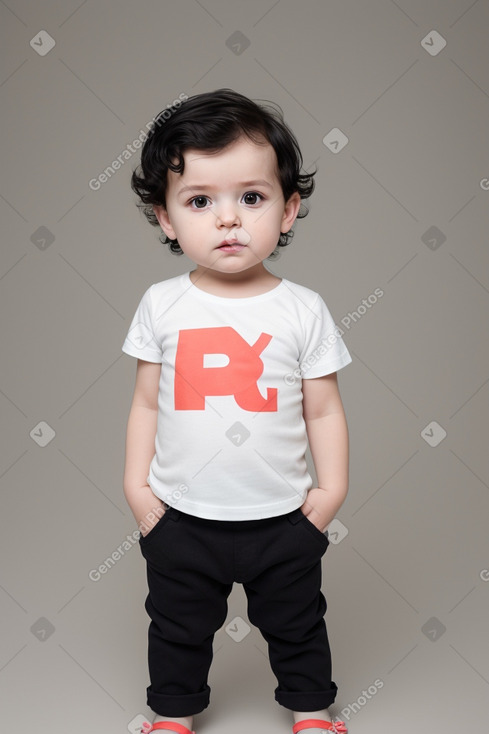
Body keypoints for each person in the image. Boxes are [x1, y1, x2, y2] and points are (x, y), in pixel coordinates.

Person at [122, 88, 351, 734]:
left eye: (251, 198)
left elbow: (324, 410)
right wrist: (136, 488)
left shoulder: (301, 309)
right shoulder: (161, 305)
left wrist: (329, 492)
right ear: (165, 218)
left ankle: (311, 710)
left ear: (288, 209)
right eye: (200, 201)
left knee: (298, 619)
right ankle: (172, 714)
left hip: (281, 517)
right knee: (175, 624)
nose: (228, 220)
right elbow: (145, 401)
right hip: (181, 514)